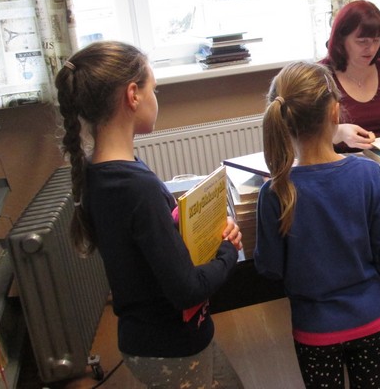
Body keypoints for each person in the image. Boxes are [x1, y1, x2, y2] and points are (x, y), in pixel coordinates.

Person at [55, 40, 244, 388]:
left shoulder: (98, 172)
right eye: (153, 90)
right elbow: (187, 290)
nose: (156, 98)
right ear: (133, 95)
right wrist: (228, 250)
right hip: (171, 348)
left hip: (153, 338)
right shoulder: (137, 188)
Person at [255, 61, 380, 389]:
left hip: (314, 329)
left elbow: (269, 267)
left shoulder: (274, 192)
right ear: (335, 113)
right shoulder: (369, 175)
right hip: (370, 319)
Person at [321, 0, 380, 151]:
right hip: (340, 160)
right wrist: (338, 133)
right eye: (362, 41)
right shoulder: (320, 76)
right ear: (341, 40)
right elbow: (303, 136)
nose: (371, 49)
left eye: (376, 40)